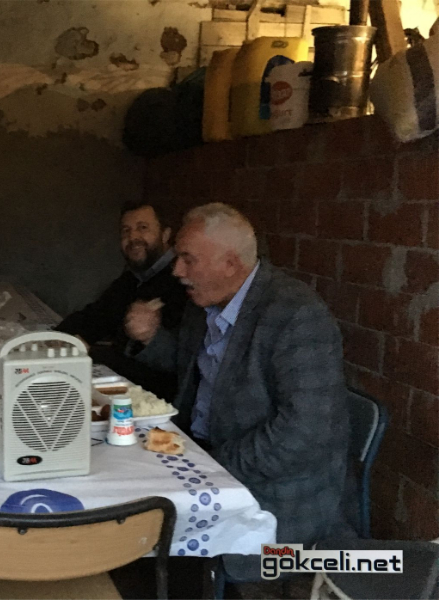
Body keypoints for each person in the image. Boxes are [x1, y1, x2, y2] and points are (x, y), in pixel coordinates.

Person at [138, 203, 349, 578]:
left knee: (148, 533)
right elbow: (188, 367)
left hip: (273, 493)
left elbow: (304, 434)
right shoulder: (205, 302)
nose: (177, 271)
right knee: (127, 490)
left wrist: (213, 463)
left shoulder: (297, 315)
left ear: (230, 264)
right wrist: (151, 336)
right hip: (203, 456)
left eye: (188, 259)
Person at [55, 200, 187, 400]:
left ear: (166, 234)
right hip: (122, 389)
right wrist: (57, 338)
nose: (133, 237)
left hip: (156, 404)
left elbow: (171, 370)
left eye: (143, 228)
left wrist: (92, 352)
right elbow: (95, 317)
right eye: (126, 231)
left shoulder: (183, 284)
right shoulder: (132, 279)